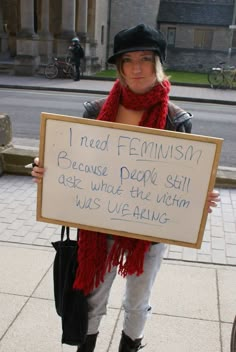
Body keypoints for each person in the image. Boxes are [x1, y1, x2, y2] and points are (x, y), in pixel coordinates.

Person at [32, 24, 220, 352]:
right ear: (118, 66)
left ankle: (129, 346)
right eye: (128, 60)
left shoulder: (176, 120)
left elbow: (185, 180)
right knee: (93, 297)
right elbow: (74, 162)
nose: (136, 67)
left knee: (138, 300)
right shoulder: (95, 112)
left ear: (158, 63)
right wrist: (46, 171)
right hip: (100, 224)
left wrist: (198, 199)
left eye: (145, 59)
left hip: (150, 230)